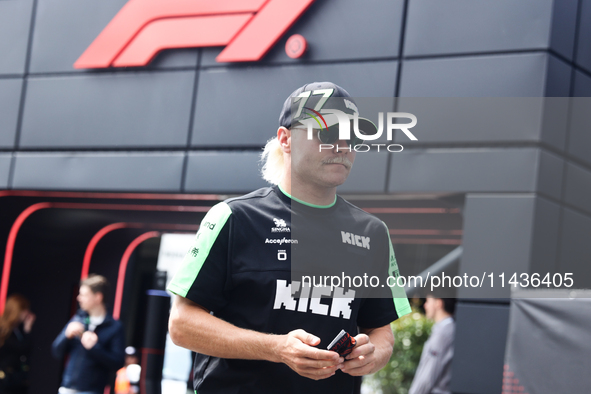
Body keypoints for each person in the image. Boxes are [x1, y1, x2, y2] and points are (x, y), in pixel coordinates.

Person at [167, 82, 412, 393]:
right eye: (326, 133)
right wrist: (275, 348)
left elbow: (381, 333)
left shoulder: (373, 232)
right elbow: (182, 324)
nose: (342, 145)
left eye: (351, 136)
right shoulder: (233, 217)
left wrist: (372, 354)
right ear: (286, 139)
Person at [52, 274, 125, 394]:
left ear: (98, 297)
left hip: (92, 390)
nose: (79, 298)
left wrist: (94, 348)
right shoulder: (77, 319)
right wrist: (66, 335)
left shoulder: (114, 327)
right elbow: (56, 351)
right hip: (67, 388)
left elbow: (117, 363)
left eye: (84, 295)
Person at [408, 296, 456, 394]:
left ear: (438, 303)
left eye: (428, 301)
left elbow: (428, 376)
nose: (425, 305)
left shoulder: (443, 333)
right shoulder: (450, 329)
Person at [0, 294, 36, 394]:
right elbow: (22, 349)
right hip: (5, 382)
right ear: (17, 311)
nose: (27, 314)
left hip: (16, 381)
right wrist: (28, 329)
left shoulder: (17, 330)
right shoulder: (4, 330)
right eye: (26, 311)